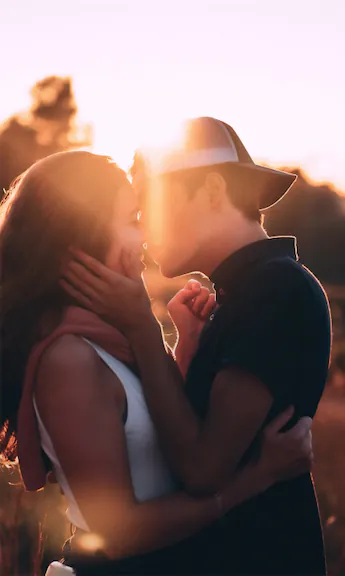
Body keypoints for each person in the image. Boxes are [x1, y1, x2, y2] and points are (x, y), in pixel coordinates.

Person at [0, 150, 313, 576]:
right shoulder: (67, 359)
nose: (145, 233)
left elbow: (159, 438)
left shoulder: (116, 338)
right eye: (131, 219)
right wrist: (256, 477)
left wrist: (184, 348)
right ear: (84, 234)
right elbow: (119, 534)